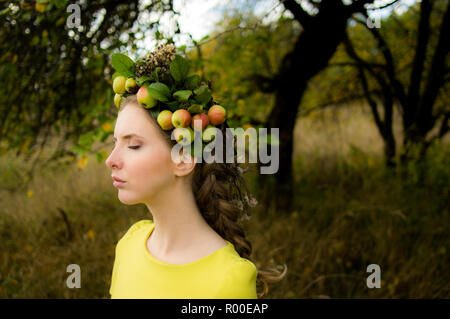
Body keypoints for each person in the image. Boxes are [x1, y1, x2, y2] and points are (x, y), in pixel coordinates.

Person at [105, 44, 287, 298]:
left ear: (183, 159)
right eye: (115, 142)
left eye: (133, 145)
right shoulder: (129, 244)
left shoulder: (229, 280)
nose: (110, 160)